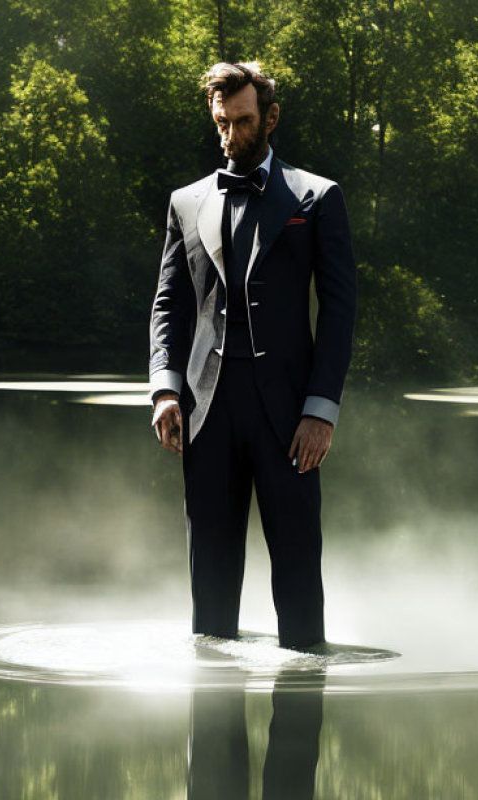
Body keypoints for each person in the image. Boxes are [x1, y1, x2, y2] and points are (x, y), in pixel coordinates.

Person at [148, 61, 357, 650]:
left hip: (290, 415)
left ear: (270, 118)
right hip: (205, 412)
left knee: (297, 578)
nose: (230, 135)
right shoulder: (185, 202)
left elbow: (339, 313)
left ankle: (299, 719)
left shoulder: (317, 198)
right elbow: (168, 306)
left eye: (241, 122)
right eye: (221, 123)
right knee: (208, 588)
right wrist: (165, 388)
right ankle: (211, 726)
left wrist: (321, 410)